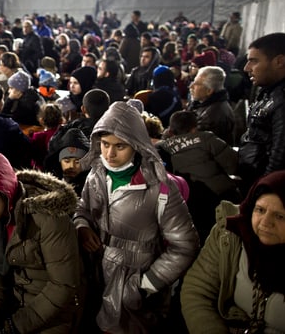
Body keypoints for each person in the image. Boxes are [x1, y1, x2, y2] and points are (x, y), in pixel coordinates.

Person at [73, 101, 199, 333]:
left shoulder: (160, 188)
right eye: (104, 144)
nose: (109, 153)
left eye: (120, 146)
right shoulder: (96, 174)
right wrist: (81, 226)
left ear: (137, 145)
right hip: (95, 274)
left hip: (135, 284)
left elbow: (185, 245)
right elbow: (82, 208)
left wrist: (146, 285)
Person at [0, 151, 85, 333]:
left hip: (54, 314)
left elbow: (63, 286)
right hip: (17, 303)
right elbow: (2, 275)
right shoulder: (1, 218)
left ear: (2, 190)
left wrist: (15, 325)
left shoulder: (49, 217)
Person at [180, 170, 285, 333]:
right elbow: (197, 290)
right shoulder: (230, 234)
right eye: (259, 210)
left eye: (280, 216)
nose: (266, 222)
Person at [156, 110, 240, 242]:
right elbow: (233, 164)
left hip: (186, 205)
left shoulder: (162, 148)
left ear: (171, 131)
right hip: (219, 197)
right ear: (194, 128)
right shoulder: (206, 138)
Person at [238, 33, 285, 192]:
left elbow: (281, 158)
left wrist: (262, 192)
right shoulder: (269, 91)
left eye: (254, 61)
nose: (246, 68)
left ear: (279, 61)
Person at [187, 65, 235, 146]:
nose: (191, 86)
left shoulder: (213, 115)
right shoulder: (201, 103)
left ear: (209, 91)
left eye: (197, 84)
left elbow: (190, 143)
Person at [43, 127, 91, 196]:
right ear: (59, 162)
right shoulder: (48, 184)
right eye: (67, 161)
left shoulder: (92, 187)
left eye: (77, 162)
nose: (71, 166)